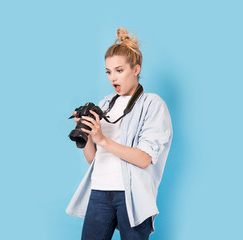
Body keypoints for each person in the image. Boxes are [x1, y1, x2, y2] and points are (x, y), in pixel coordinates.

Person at [66, 27, 173, 240]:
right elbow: (94, 161)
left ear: (136, 69)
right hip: (99, 190)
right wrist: (87, 134)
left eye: (119, 70)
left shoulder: (152, 104)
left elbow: (144, 159)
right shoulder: (105, 104)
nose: (112, 77)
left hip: (132, 195)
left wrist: (103, 139)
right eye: (108, 72)